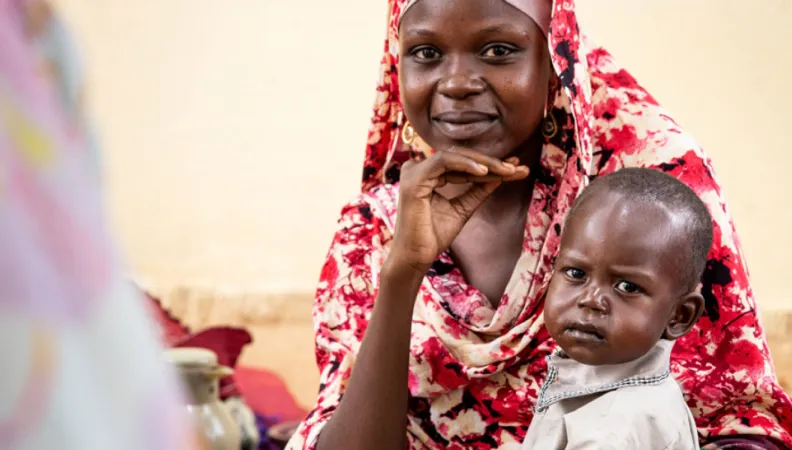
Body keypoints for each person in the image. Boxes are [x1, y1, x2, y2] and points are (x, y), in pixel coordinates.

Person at [287, 0, 792, 449]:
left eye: (498, 49)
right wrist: (402, 272)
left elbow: (739, 420)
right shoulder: (375, 224)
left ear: (555, 60)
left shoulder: (648, 189)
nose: (457, 82)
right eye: (425, 52)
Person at [521, 168, 712, 449]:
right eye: (575, 273)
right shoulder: (625, 395)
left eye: (628, 287)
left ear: (679, 315)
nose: (590, 299)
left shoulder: (611, 432)